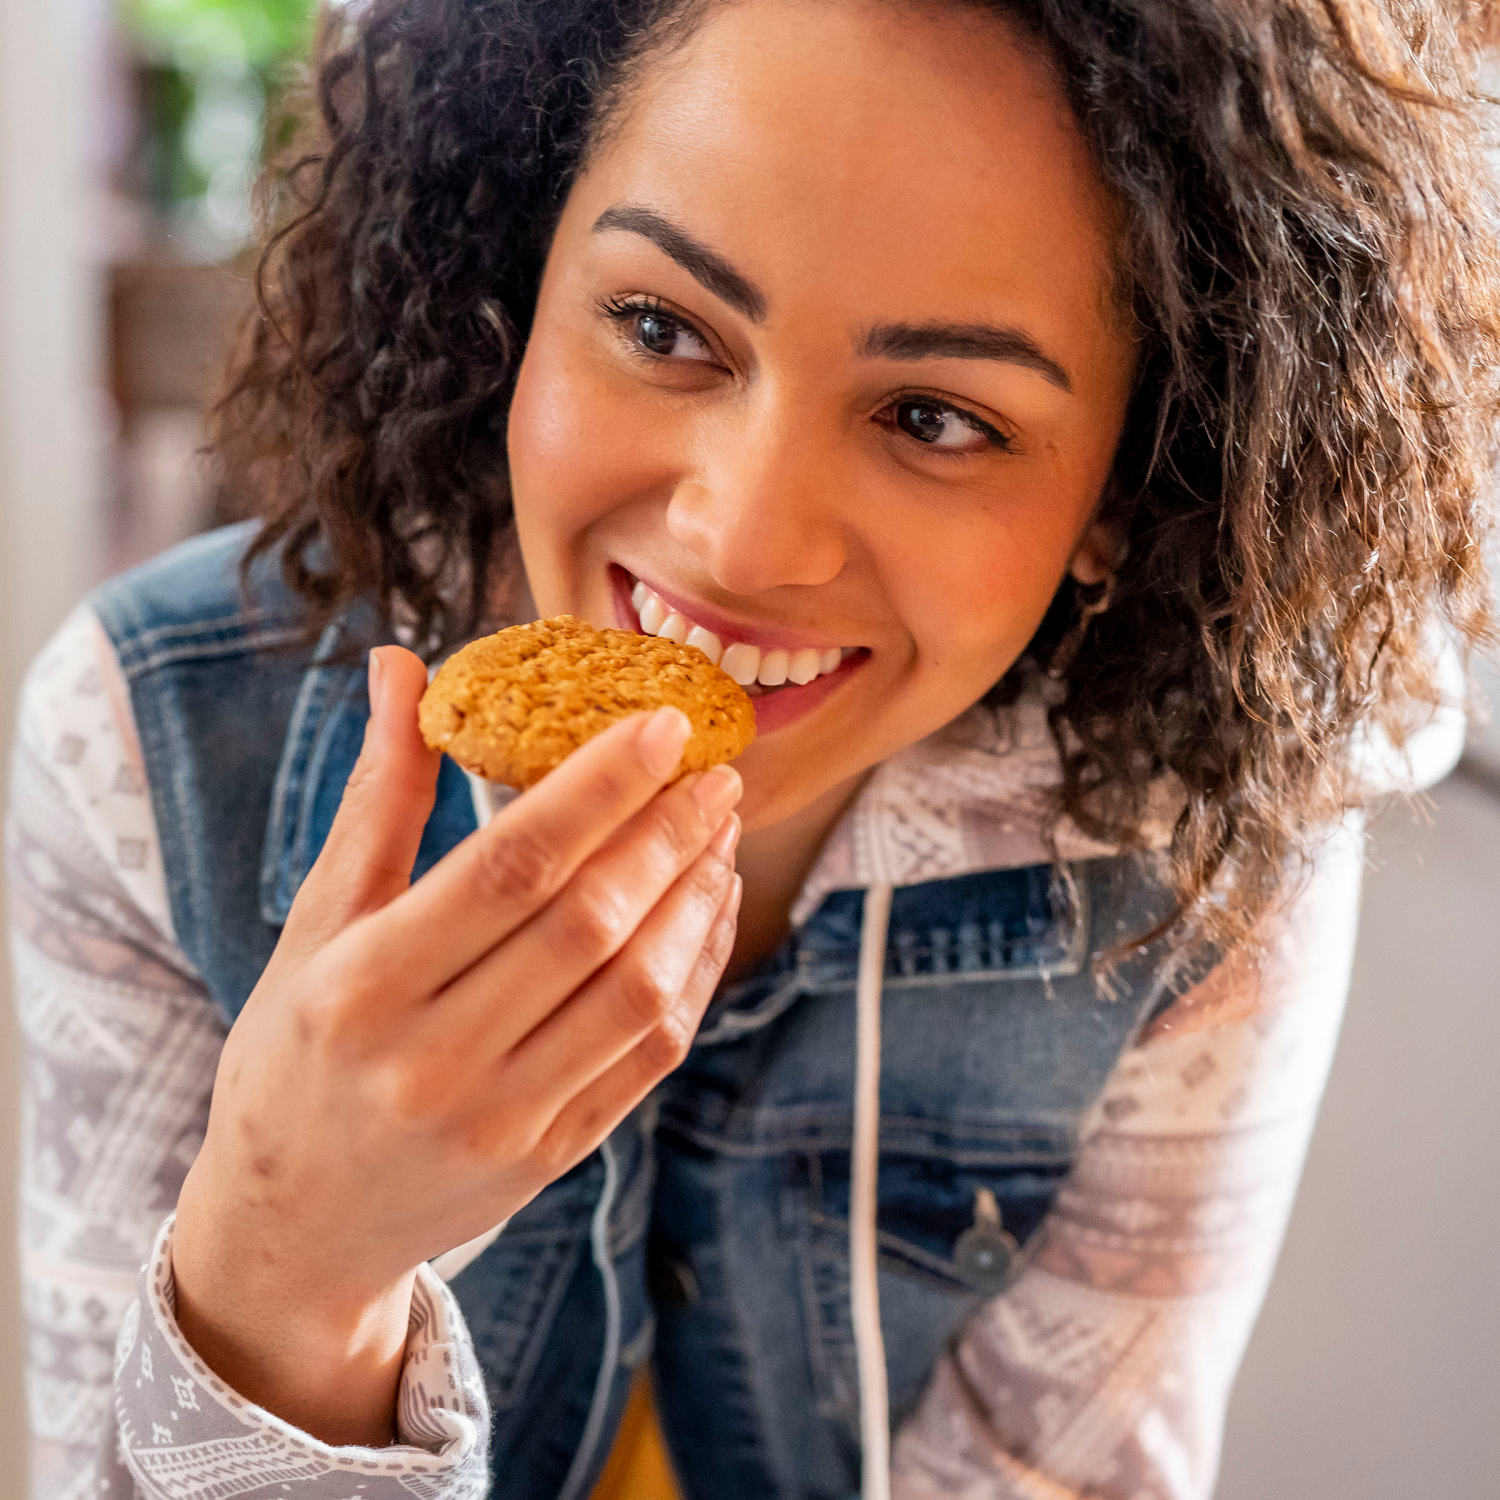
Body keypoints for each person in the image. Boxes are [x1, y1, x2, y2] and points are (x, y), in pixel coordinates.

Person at [12, 1, 1496, 1497]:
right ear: (518, 273)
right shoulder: (146, 749)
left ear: (1128, 483)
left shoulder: (1195, 842)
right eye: (661, 328)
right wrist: (284, 1272)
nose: (742, 536)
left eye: (935, 416)